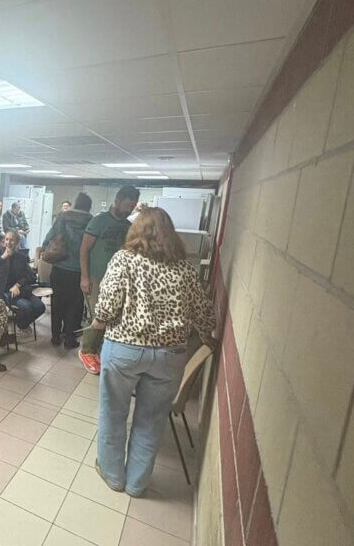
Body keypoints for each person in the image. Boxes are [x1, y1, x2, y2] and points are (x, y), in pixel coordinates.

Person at [93, 207, 216, 497]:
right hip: (169, 356)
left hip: (124, 349)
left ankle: (113, 475)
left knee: (113, 412)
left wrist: (98, 321)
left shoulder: (124, 259)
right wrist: (207, 338)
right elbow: (205, 316)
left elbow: (107, 307)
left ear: (136, 230)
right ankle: (136, 484)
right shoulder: (185, 269)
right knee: (151, 420)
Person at [79, 185, 139, 373]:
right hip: (96, 276)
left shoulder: (128, 226)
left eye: (133, 207)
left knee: (111, 316)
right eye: (127, 205)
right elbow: (84, 250)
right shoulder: (99, 221)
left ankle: (97, 351)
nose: (129, 210)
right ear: (118, 200)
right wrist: (84, 276)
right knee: (96, 315)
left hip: (117, 280)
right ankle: (86, 351)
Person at [42, 192, 93, 348]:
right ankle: (69, 338)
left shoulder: (63, 217)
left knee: (57, 303)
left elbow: (49, 237)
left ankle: (55, 337)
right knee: (75, 305)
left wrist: (45, 248)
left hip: (59, 268)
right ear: (88, 207)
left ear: (76, 204)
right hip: (79, 270)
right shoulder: (91, 221)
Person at [0, 230, 44, 333]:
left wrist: (17, 285)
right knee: (27, 307)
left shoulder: (21, 257)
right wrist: (2, 258)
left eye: (12, 240)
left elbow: (30, 276)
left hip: (22, 290)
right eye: (6, 239)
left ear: (17, 242)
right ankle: (20, 324)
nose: (8, 242)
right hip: (4, 292)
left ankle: (21, 324)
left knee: (40, 307)